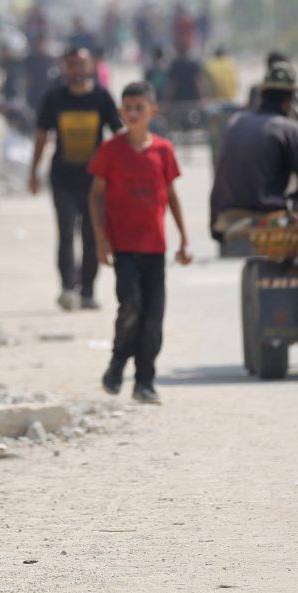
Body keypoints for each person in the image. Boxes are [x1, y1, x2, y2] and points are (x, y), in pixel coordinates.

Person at [88, 82, 192, 403]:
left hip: (155, 248)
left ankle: (145, 380)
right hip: (124, 246)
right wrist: (101, 241)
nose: (133, 114)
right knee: (130, 308)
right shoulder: (110, 150)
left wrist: (184, 239)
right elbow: (95, 196)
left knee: (153, 318)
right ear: (121, 112)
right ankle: (118, 362)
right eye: (128, 108)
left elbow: (171, 195)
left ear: (152, 111)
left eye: (139, 108)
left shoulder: (163, 150)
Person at [30, 47, 123, 310]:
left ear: (91, 66)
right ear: (64, 68)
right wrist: (33, 171)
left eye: (81, 64)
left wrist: (121, 171)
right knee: (66, 234)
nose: (76, 70)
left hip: (95, 181)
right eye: (71, 65)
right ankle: (67, 288)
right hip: (63, 178)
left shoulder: (102, 97)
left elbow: (118, 135)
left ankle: (88, 291)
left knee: (92, 236)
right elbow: (41, 136)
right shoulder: (54, 98)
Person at [210, 61, 298, 238]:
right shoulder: (288, 128)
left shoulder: (235, 122)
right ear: (288, 101)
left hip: (225, 211)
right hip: (267, 211)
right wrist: (296, 197)